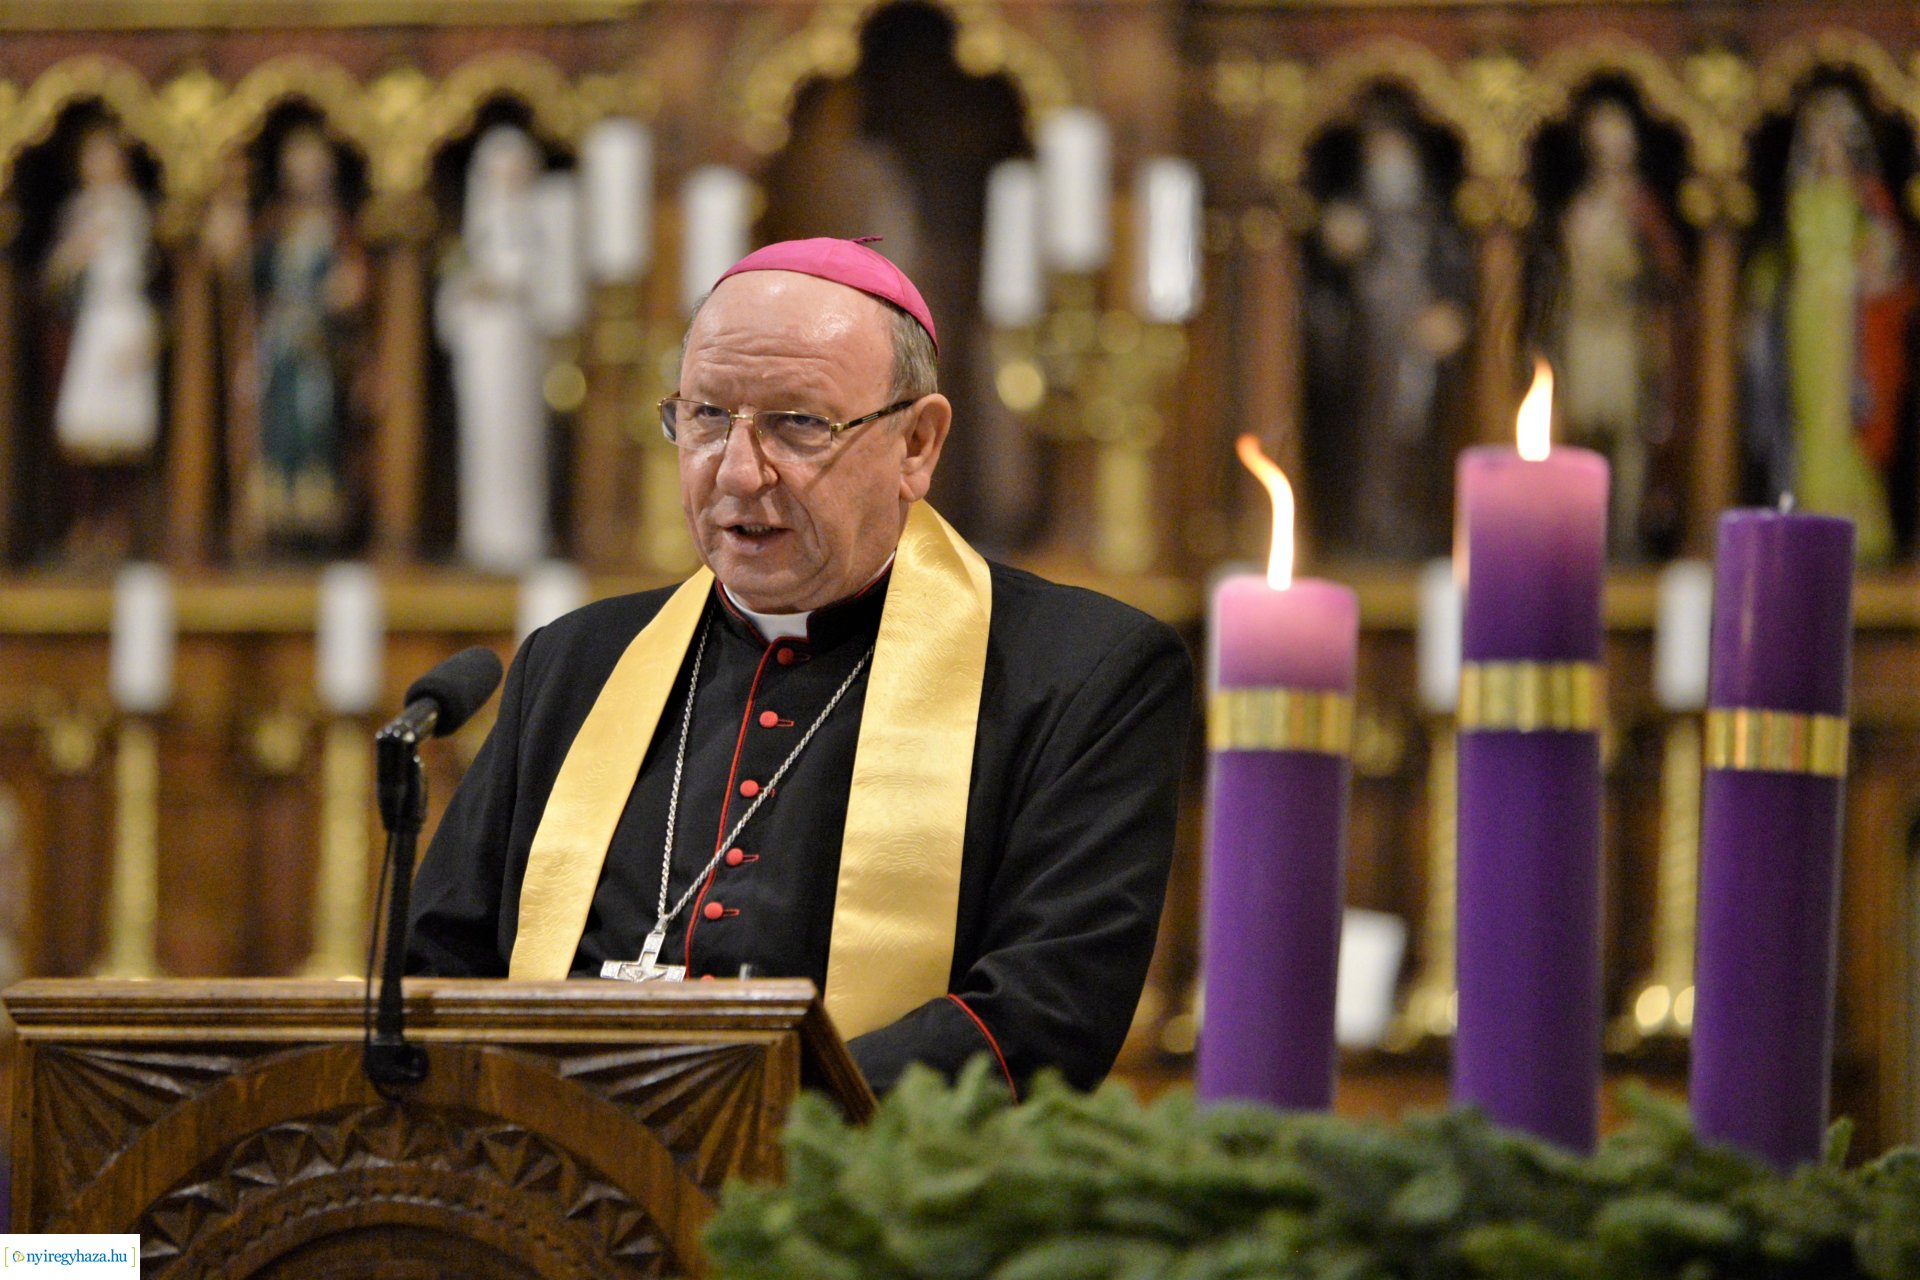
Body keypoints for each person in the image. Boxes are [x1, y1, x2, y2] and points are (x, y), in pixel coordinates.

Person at [408, 238, 1194, 1095]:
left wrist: (749, 1121)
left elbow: (1044, 1014)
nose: (740, 473)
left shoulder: (1082, 672)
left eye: (798, 424)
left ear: (918, 445)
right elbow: (436, 975)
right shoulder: (577, 664)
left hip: (865, 1202)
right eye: (706, 416)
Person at [42, 124, 161, 561]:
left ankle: (120, 525)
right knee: (83, 428)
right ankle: (87, 522)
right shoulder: (77, 213)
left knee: (124, 432)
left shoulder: (137, 212)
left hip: (127, 322)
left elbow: (157, 278)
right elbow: (54, 279)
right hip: (93, 323)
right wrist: (74, 253)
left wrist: (152, 331)